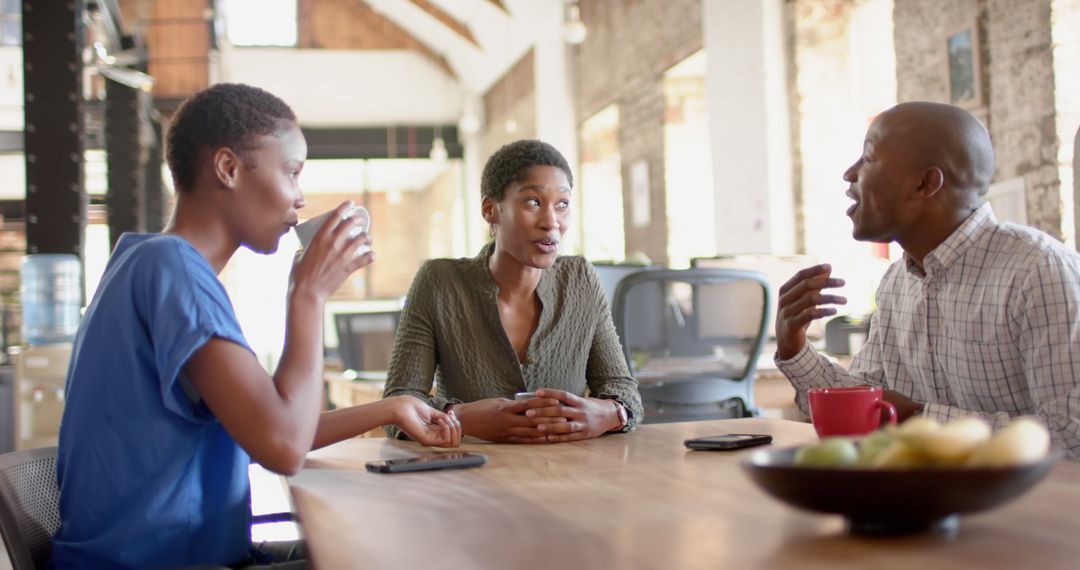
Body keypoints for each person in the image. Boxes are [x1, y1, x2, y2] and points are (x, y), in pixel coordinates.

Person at [50, 83, 461, 569]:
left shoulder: (142, 260)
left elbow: (268, 423)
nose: (300, 198)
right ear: (227, 168)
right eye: (291, 171)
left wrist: (390, 408)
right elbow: (283, 447)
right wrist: (308, 295)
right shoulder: (173, 270)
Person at [775, 101, 1080, 459]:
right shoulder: (895, 283)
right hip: (926, 505)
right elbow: (866, 407)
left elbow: (1071, 434)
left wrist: (922, 417)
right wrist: (794, 347)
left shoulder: (1039, 271)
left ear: (925, 183)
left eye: (868, 159)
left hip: (1030, 510)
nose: (849, 174)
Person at [382, 139, 643, 443]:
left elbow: (625, 392)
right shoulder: (439, 282)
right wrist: (461, 417)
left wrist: (609, 413)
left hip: (569, 476)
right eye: (533, 202)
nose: (551, 222)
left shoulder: (580, 279)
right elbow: (397, 405)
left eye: (563, 204)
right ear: (490, 209)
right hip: (466, 475)